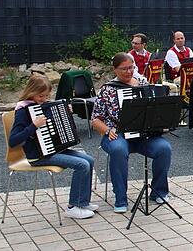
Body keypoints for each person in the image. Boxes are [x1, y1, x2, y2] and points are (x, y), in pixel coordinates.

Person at [92, 53, 172, 213]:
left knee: (164, 149)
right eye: (124, 69)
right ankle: (120, 198)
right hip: (117, 133)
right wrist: (107, 130)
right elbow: (95, 120)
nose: (129, 72)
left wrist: (161, 123)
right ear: (115, 70)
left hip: (143, 134)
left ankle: (159, 191)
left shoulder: (142, 83)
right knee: (118, 149)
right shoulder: (107, 90)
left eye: (131, 67)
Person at [9, 75, 97, 219]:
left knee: (89, 160)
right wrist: (34, 126)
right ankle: (72, 207)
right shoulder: (23, 111)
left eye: (46, 96)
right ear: (31, 92)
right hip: (37, 156)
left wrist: (67, 113)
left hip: (53, 150)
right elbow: (13, 141)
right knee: (81, 165)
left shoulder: (43, 106)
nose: (43, 99)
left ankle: (82, 202)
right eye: (40, 96)